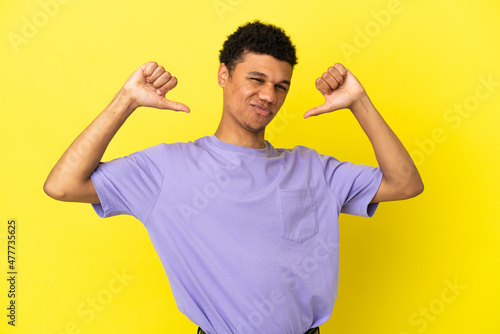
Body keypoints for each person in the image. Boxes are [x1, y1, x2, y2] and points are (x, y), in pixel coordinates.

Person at [44, 20, 423, 334]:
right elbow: (62, 185)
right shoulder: (166, 169)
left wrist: (359, 102)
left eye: (281, 86)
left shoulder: (313, 169)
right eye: (256, 79)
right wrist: (126, 100)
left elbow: (405, 184)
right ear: (223, 74)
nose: (268, 96)